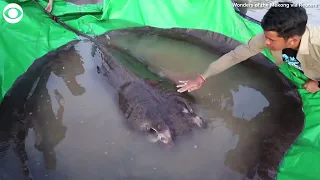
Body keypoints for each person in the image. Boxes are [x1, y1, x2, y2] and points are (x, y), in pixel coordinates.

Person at [177, 1, 320, 93]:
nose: (266, 43)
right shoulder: (266, 38)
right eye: (265, 36)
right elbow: (234, 56)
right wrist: (202, 77)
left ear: (292, 40)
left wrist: (317, 84)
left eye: (271, 40)